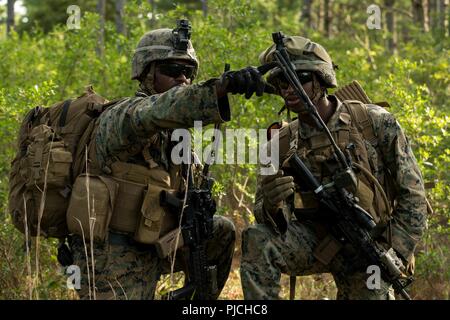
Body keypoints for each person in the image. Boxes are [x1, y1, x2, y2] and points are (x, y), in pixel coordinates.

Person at [68, 20, 270, 300]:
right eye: (172, 71)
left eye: (188, 72)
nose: (182, 79)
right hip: (110, 254)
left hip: (153, 243)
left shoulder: (177, 137)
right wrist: (221, 88)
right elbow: (159, 109)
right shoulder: (124, 116)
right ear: (146, 73)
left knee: (220, 230)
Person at [240, 35, 428, 300]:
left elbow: (414, 194)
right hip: (314, 240)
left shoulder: (372, 122)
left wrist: (395, 252)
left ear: (321, 79)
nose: (290, 89)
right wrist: (272, 205)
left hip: (370, 244)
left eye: (300, 78)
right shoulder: (279, 144)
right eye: (282, 82)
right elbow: (264, 214)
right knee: (257, 238)